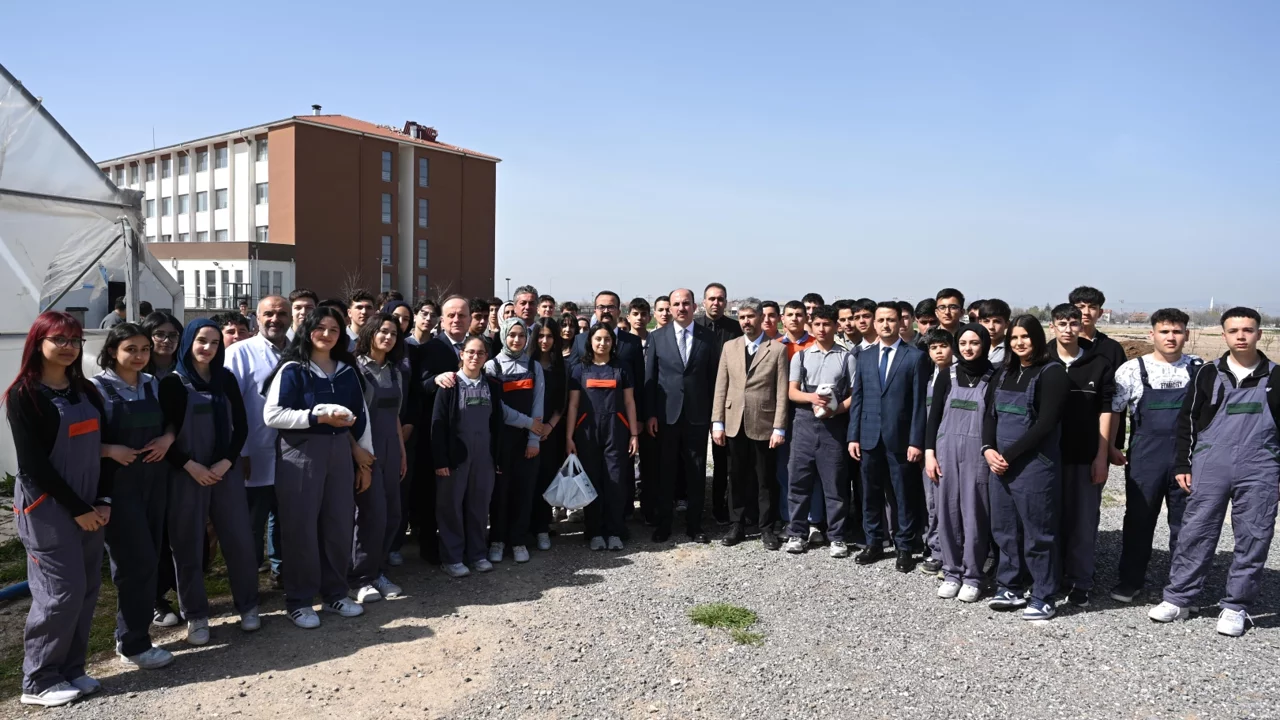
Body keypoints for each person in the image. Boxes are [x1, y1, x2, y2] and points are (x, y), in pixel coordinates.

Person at [1149, 307, 1280, 637]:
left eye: (1247, 330)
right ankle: (1179, 598)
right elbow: (1187, 421)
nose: (1241, 336)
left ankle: (1236, 606)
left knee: (1254, 535)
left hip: (1261, 465)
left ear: (1259, 334)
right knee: (1196, 531)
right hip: (1211, 463)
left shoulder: (1276, 377)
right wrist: (1183, 463)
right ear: (1223, 335)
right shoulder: (1207, 374)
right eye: (1233, 330)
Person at [5, 313, 111, 706]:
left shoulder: (86, 392)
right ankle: (38, 680)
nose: (68, 347)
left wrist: (102, 501)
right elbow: (34, 465)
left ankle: (71, 669)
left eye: (74, 340)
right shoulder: (25, 396)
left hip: (89, 503)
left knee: (87, 588)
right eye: (59, 339)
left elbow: (102, 450)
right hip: (47, 507)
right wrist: (78, 508)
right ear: (39, 343)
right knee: (60, 592)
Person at [264, 306, 374, 628]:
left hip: (339, 453)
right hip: (301, 454)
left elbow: (362, 418)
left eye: (334, 330)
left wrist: (365, 461)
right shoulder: (293, 369)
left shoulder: (347, 371)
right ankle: (299, 600)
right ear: (307, 330)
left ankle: (335, 593)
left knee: (338, 525)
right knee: (300, 528)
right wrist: (317, 417)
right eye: (320, 328)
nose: (326, 334)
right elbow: (272, 415)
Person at [159, 319, 259, 643]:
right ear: (188, 342)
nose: (208, 348)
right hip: (186, 475)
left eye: (215, 343)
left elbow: (241, 426)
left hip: (224, 471)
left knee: (239, 541)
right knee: (187, 545)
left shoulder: (225, 379)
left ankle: (248, 606)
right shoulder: (172, 384)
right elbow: (164, 437)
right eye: (202, 340)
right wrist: (192, 467)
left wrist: (227, 461)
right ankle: (196, 616)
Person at [91, 324, 175, 671]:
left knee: (150, 558)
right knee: (134, 563)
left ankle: (131, 635)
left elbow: (172, 422)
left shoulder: (153, 384)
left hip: (153, 480)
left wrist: (167, 439)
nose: (139, 356)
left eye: (144, 349)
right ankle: (133, 644)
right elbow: (77, 439)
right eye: (130, 349)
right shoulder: (95, 389)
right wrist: (110, 450)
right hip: (117, 486)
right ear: (113, 351)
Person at [1108, 309, 1201, 604]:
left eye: (1177, 331)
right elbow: (1114, 410)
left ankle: (1182, 586)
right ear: (1152, 334)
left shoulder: (1199, 369)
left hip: (1187, 458)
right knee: (1139, 518)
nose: (1171, 337)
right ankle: (1130, 581)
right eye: (1164, 331)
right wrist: (1111, 446)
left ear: (1186, 334)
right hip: (1146, 457)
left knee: (1185, 524)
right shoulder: (1131, 370)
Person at [982, 315, 1069, 620]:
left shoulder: (1052, 373)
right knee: (1004, 528)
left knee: (1038, 532)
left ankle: (1044, 595)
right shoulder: (1003, 372)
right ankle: (1010, 587)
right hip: (1000, 464)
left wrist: (1008, 455)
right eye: (1014, 338)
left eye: (1025, 337)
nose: (1019, 343)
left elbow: (1046, 424)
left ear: (1037, 339)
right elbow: (989, 415)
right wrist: (988, 449)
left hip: (1034, 464)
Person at [849, 301, 929, 571]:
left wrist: (916, 440)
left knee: (902, 494)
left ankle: (904, 546)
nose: (885, 325)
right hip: (869, 436)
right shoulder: (865, 357)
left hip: (901, 439)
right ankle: (873, 542)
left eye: (891, 320)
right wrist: (853, 436)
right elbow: (858, 399)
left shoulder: (915, 357)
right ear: (874, 323)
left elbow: (918, 404)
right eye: (881, 320)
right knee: (870, 493)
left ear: (901, 322)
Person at [1048, 303, 1117, 607]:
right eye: (1061, 323)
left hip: (1084, 455)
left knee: (1083, 522)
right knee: (1047, 520)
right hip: (1046, 457)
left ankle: (1080, 580)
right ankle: (1049, 577)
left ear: (1082, 325)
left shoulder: (1098, 364)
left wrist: (1102, 456)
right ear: (1052, 326)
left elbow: (1107, 411)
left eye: (1073, 323)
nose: (1068, 329)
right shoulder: (1041, 359)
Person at [645, 288, 720, 544]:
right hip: (666, 416)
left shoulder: (708, 338)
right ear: (670, 307)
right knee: (665, 471)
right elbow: (650, 379)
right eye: (676, 304)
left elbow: (714, 380)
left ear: (695, 306)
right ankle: (664, 524)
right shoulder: (657, 337)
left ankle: (695, 525)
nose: (681, 308)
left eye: (686, 303)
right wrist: (650, 414)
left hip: (697, 415)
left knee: (696, 471)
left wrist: (715, 417)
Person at [712, 301, 788, 550]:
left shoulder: (777, 349)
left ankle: (766, 527)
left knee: (764, 478)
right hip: (734, 421)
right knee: (736, 476)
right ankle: (737, 524)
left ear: (761, 318)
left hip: (763, 422)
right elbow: (721, 386)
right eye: (742, 317)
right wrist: (717, 422)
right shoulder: (730, 347)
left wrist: (779, 427)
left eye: (750, 316)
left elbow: (781, 391)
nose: (746, 321)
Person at [925, 324, 993, 602]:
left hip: (978, 454)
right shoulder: (947, 374)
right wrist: (929, 452)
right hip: (946, 451)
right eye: (963, 343)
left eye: (974, 342)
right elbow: (933, 417)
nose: (968, 348)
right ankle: (952, 572)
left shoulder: (994, 376)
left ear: (984, 345)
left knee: (975, 514)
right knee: (947, 512)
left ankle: (973, 576)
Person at [225, 296, 290, 586]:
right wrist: (240, 451)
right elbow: (230, 406)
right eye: (269, 314)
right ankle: (247, 583)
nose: (275, 319)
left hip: (291, 453)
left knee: (284, 517)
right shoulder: (240, 352)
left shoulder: (298, 351)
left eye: (282, 314)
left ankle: (281, 570)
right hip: (253, 451)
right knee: (251, 522)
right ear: (258, 318)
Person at [783, 306, 855, 557]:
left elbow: (854, 394)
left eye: (827, 324)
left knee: (835, 483)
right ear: (811, 326)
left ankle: (837, 537)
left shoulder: (846, 358)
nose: (822, 329)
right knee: (798, 481)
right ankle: (797, 533)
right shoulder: (801, 356)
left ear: (836, 326)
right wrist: (812, 397)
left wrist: (836, 410)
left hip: (833, 426)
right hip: (804, 422)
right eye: (817, 324)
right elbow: (792, 392)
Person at [431, 335, 505, 577]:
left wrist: (497, 457)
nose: (475, 357)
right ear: (461, 354)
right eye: (470, 352)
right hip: (456, 457)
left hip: (484, 456)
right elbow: (438, 425)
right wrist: (441, 460)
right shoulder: (449, 386)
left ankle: (477, 554)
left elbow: (498, 423)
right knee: (450, 507)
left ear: (486, 358)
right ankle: (452, 558)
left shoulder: (492, 385)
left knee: (479, 506)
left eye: (480, 353)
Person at [350, 314, 408, 603]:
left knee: (392, 514)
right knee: (369, 515)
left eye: (394, 333)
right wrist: (356, 452)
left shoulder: (396, 371)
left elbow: (396, 415)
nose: (388, 337)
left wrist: (401, 451)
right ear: (370, 333)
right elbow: (349, 416)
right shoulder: (354, 369)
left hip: (390, 448)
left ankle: (378, 571)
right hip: (365, 448)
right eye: (383, 331)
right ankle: (359, 578)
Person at [568, 324, 640, 550]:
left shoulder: (622, 368)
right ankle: (595, 532)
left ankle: (615, 531)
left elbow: (629, 402)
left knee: (615, 481)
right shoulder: (579, 369)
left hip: (616, 431)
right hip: (587, 432)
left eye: (607, 339)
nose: (602, 343)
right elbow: (573, 405)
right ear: (590, 342)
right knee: (591, 481)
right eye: (598, 339)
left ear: (613, 342)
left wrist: (634, 434)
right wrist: (569, 437)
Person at [484, 317, 546, 564]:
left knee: (524, 490)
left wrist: (534, 439)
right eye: (512, 335)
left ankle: (518, 540)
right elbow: (497, 408)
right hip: (501, 440)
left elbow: (538, 403)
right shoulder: (492, 367)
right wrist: (528, 422)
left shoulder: (534, 366)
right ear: (503, 336)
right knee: (500, 492)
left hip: (526, 441)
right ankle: (497, 540)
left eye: (521, 335)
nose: (517, 340)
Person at [697, 283, 744, 526]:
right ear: (704, 301)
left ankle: (721, 506)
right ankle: (693, 506)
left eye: (720, 299)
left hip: (727, 402)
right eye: (711, 298)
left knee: (725, 458)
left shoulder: (736, 329)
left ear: (726, 302)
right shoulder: (694, 328)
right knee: (695, 457)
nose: (716, 303)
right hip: (698, 400)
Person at [1069, 286, 1128, 449]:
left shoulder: (1112, 349)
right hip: (1064, 430)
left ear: (1100, 313)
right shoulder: (1058, 347)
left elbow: (1118, 396)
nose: (1086, 312)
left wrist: (1113, 444)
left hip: (1100, 430)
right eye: (1080, 307)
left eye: (1092, 307)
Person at [917, 328, 955, 576]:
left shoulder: (958, 375)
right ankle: (936, 549)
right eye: (933, 348)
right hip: (930, 447)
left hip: (952, 444)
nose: (939, 351)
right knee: (932, 501)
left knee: (951, 501)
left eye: (943, 346)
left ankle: (952, 553)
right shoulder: (928, 376)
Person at [530, 317, 568, 551]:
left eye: (550, 336)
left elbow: (562, 403)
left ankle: (543, 528)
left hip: (550, 433)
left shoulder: (561, 367)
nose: (544, 341)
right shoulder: (526, 364)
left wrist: (549, 427)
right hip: (527, 430)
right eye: (541, 336)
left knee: (546, 479)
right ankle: (526, 527)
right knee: (528, 481)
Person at [142, 312, 182, 380]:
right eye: (159, 334)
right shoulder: (137, 369)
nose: (166, 340)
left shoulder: (186, 370)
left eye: (173, 335)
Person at [978, 299, 1011, 366]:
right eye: (986, 321)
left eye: (997, 321)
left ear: (1007, 324)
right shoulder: (973, 346)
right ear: (980, 322)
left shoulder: (1012, 349)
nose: (991, 327)